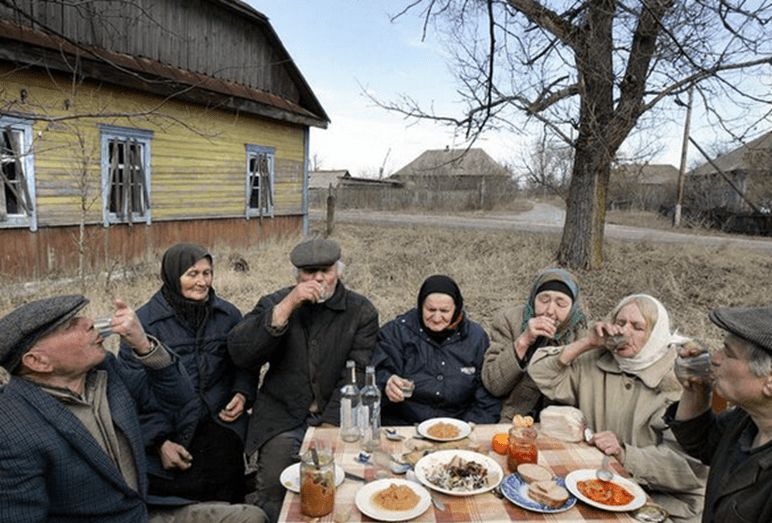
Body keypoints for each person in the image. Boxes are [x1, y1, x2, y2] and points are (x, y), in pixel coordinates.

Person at [0, 294, 267, 523]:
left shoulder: (104, 371)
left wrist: (143, 345)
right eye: (70, 325)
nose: (89, 322)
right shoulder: (11, 429)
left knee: (252, 517)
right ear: (38, 361)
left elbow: (179, 400)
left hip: (141, 512)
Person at [227, 237, 379, 523]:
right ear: (297, 275)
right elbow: (241, 353)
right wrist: (286, 307)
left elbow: (356, 372)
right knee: (274, 487)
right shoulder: (276, 302)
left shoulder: (361, 311)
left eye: (326, 271)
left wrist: (328, 427)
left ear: (338, 271)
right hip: (282, 416)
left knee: (341, 484)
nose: (319, 279)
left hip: (337, 416)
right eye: (309, 272)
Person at [528, 294, 708, 522]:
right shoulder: (597, 360)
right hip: (602, 484)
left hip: (667, 501)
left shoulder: (680, 381)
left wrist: (624, 454)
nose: (624, 331)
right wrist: (588, 342)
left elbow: (689, 466)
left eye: (637, 327)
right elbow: (540, 372)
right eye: (620, 323)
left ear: (656, 335)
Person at [119, 243, 258, 503]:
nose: (202, 282)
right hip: (169, 428)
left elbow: (244, 362)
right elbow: (131, 391)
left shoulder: (227, 314)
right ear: (173, 275)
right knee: (183, 504)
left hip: (219, 421)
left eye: (207, 273)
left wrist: (242, 392)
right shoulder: (143, 324)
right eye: (192, 274)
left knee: (230, 501)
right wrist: (159, 442)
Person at [666, 306, 772, 523]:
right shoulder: (745, 419)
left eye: (729, 354)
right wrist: (696, 389)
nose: (714, 357)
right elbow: (701, 442)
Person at [371, 274, 500, 426]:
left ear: (456, 309)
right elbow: (376, 372)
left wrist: (467, 426)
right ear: (420, 306)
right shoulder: (397, 331)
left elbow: (487, 394)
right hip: (404, 424)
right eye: (430, 309)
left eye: (445, 311)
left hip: (459, 425)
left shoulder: (476, 337)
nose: (437, 318)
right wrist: (387, 383)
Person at [481, 268, 587, 422]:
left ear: (573, 307)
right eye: (544, 300)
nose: (550, 311)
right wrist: (523, 342)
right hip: (513, 417)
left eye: (561, 304)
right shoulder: (508, 321)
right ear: (533, 299)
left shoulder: (583, 334)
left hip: (562, 422)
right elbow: (494, 385)